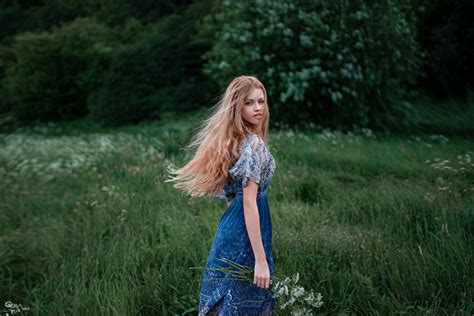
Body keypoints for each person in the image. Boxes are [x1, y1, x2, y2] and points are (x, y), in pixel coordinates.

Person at [165, 75, 277, 315]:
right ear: (237, 107)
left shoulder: (235, 141)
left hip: (231, 226)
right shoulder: (253, 144)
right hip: (247, 225)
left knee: (229, 294)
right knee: (247, 294)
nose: (258, 108)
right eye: (249, 103)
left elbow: (231, 196)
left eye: (261, 101)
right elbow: (248, 203)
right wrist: (260, 258)